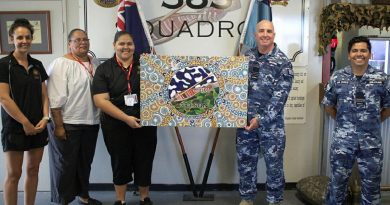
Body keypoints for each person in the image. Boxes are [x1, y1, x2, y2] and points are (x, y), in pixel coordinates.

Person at [322, 36, 390, 205]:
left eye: (363, 50)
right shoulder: (337, 77)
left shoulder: (381, 78)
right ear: (349, 54)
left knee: (372, 188)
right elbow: (328, 106)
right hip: (343, 143)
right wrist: (345, 124)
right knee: (337, 186)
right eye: (355, 50)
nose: (359, 54)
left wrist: (371, 123)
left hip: (371, 144)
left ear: (370, 54)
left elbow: (388, 108)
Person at [92, 31, 157, 205]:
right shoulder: (103, 69)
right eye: (121, 43)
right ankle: (120, 200)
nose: (125, 47)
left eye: (129, 43)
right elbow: (100, 100)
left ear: (134, 45)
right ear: (114, 45)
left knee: (145, 159)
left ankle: (145, 197)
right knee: (120, 161)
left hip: (145, 122)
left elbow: (160, 91)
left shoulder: (147, 65)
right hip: (115, 124)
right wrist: (126, 118)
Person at [236, 20, 294, 205]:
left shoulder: (283, 62)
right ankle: (247, 198)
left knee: (274, 165)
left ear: (274, 35)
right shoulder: (246, 57)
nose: (265, 34)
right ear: (255, 35)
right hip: (245, 122)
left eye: (269, 31)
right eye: (261, 31)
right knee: (246, 162)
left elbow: (279, 98)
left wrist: (260, 119)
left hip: (271, 125)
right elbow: (235, 87)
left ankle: (275, 200)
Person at [46, 29, 101, 205]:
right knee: (64, 166)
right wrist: (59, 126)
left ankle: (83, 196)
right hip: (67, 122)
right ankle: (62, 200)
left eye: (85, 39)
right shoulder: (61, 63)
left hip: (91, 122)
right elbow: (54, 98)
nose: (82, 42)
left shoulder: (95, 63)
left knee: (84, 163)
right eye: (77, 40)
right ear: (69, 43)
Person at [0, 18, 49, 205]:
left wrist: (45, 117)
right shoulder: (4, 65)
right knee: (14, 174)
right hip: (15, 127)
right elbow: (4, 98)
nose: (24, 41)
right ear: (11, 38)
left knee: (33, 170)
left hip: (38, 125)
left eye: (28, 37)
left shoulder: (37, 65)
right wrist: (25, 123)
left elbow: (44, 95)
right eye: (20, 37)